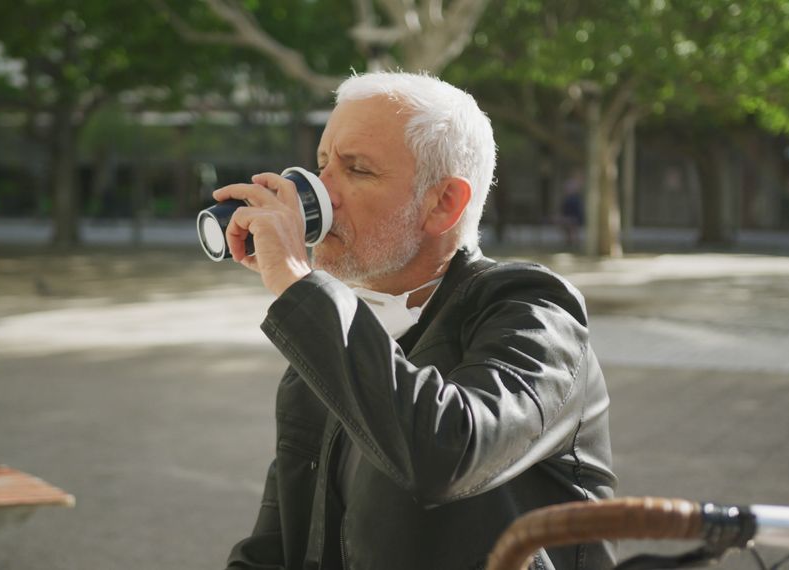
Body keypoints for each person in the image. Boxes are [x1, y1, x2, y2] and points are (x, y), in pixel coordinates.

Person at [215, 72, 615, 570]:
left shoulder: (531, 309)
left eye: (356, 169)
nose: (321, 191)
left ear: (443, 204)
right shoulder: (328, 341)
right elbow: (279, 546)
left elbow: (449, 453)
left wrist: (298, 285)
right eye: (322, 164)